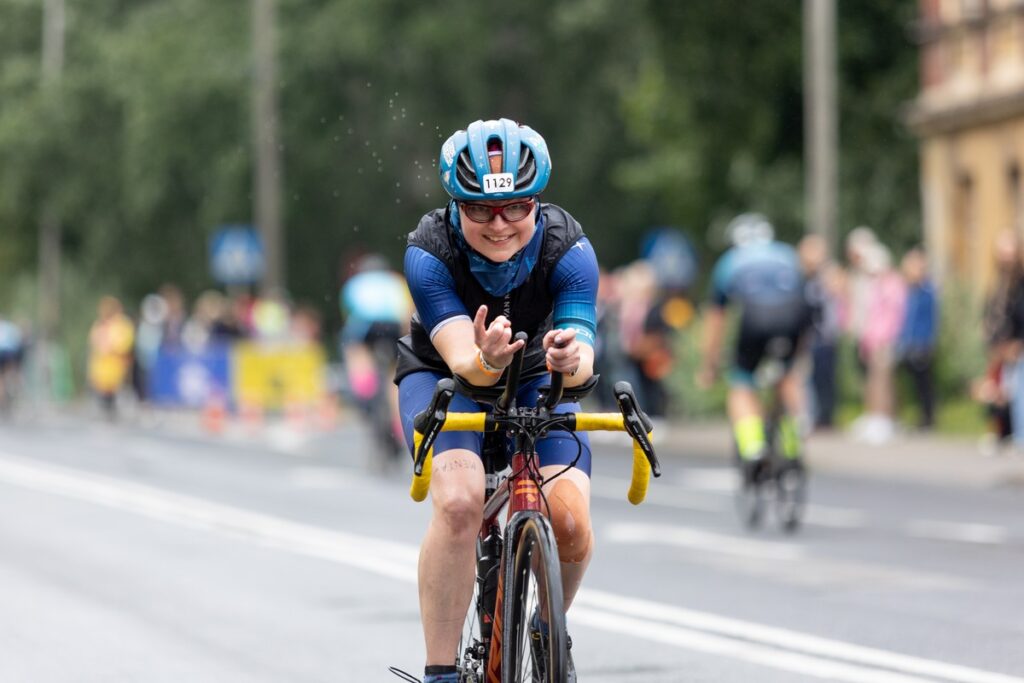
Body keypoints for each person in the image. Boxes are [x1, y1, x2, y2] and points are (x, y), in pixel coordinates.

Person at [396, 118, 597, 683]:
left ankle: (546, 625)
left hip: (535, 371)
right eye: (480, 210)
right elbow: (466, 362)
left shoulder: (570, 248)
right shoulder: (429, 250)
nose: (500, 223)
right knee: (460, 504)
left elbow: (584, 355)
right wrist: (484, 358)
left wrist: (567, 358)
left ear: (538, 202)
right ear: (456, 206)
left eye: (516, 207)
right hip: (445, 375)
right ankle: (440, 671)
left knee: (572, 522)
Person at [697, 214, 811, 481]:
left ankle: (753, 448)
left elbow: (717, 320)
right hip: (792, 319)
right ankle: (795, 444)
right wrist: (800, 356)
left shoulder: (730, 261)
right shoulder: (787, 254)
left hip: (756, 321)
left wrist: (709, 365)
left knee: (742, 384)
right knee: (787, 376)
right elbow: (806, 307)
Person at [339, 253, 411, 459]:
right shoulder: (397, 282)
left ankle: (364, 390)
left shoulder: (354, 283)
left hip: (366, 328)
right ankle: (398, 423)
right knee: (394, 374)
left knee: (353, 348)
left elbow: (349, 314)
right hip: (394, 328)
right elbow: (408, 313)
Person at [896, 248, 938, 430]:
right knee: (911, 383)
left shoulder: (927, 290)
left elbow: (931, 319)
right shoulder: (908, 290)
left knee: (924, 383)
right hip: (908, 342)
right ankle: (914, 415)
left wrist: (927, 342)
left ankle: (928, 417)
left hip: (922, 343)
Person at [87, 296, 136, 419]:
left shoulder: (122, 324)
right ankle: (106, 413)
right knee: (103, 396)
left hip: (117, 366)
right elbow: (94, 343)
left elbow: (125, 344)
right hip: (102, 368)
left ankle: (117, 414)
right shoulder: (100, 324)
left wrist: (111, 347)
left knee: (118, 394)